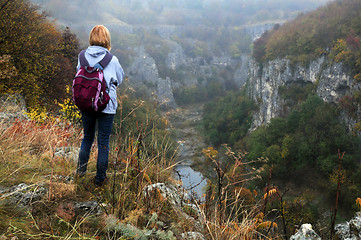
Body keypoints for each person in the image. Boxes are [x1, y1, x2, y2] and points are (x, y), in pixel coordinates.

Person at [76, 25, 124, 186]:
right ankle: (100, 179)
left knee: (87, 138)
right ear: (107, 39)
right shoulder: (112, 59)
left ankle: (80, 173)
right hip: (107, 106)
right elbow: (120, 79)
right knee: (103, 141)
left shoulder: (82, 56)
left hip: (86, 103)